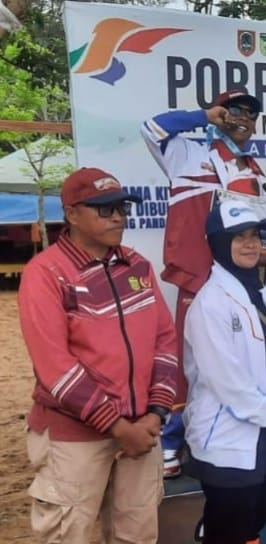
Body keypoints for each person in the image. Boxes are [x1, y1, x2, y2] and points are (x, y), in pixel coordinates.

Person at [18, 167, 178, 543]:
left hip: (142, 431)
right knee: (66, 535)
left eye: (122, 208)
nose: (118, 217)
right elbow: (55, 367)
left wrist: (155, 413)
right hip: (74, 437)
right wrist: (118, 427)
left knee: (137, 536)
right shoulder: (46, 273)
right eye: (105, 209)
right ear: (72, 214)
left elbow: (165, 341)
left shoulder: (137, 266)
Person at [141, 89, 266, 477]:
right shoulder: (186, 153)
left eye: (250, 114)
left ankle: (224, 430)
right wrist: (203, 116)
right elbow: (150, 128)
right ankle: (171, 440)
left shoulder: (256, 171)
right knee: (190, 360)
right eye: (234, 110)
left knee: (240, 357)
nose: (243, 118)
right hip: (198, 275)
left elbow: (259, 231)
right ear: (219, 112)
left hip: (243, 281)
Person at [182, 200, 266, 544]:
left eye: (253, 236)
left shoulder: (261, 292)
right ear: (219, 243)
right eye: (238, 237)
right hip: (226, 442)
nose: (250, 245)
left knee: (252, 525)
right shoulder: (210, 303)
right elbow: (227, 381)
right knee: (228, 530)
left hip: (263, 436)